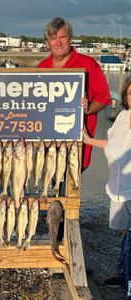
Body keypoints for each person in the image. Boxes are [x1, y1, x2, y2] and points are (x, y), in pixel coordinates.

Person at [37, 17, 111, 171]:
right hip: (45, 147)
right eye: (53, 38)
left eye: (62, 37)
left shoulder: (88, 64)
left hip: (77, 147)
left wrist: (88, 108)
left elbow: (104, 98)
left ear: (70, 39)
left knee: (70, 192)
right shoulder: (41, 67)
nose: (58, 42)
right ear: (47, 43)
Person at [82, 75, 131, 289]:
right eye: (130, 93)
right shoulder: (122, 117)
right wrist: (88, 140)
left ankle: (127, 278)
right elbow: (112, 143)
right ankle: (124, 274)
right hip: (116, 188)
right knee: (123, 232)